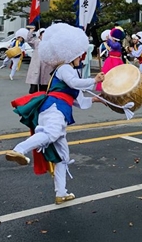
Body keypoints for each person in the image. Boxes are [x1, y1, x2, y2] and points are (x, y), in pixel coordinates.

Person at [6, 23, 105, 204]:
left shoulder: (66, 70)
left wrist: (95, 99)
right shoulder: (65, 68)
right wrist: (94, 80)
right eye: (80, 54)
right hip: (54, 110)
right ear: (72, 53)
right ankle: (18, 150)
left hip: (56, 109)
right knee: (50, 135)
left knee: (62, 157)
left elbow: (78, 100)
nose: (82, 57)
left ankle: (61, 192)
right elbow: (75, 84)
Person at [26, 28, 52, 94]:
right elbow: (28, 40)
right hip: (36, 66)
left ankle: (42, 98)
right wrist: (31, 31)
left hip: (46, 67)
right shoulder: (36, 42)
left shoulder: (50, 44)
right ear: (39, 36)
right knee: (33, 85)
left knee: (44, 86)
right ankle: (33, 98)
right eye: (42, 35)